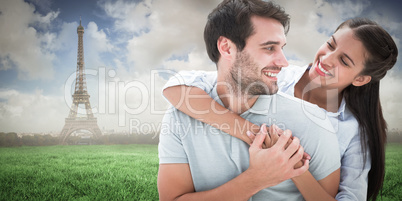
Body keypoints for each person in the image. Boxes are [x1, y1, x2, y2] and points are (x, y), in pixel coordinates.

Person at [163, 17, 398, 201]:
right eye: (330, 45)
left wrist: (293, 165)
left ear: (360, 79)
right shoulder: (274, 74)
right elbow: (176, 88)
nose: (326, 59)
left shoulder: (354, 132)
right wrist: (250, 132)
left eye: (344, 61)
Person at [158, 0, 340, 200]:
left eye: (282, 48)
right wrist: (257, 179)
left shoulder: (313, 121)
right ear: (226, 48)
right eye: (270, 48)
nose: (284, 62)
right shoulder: (179, 117)